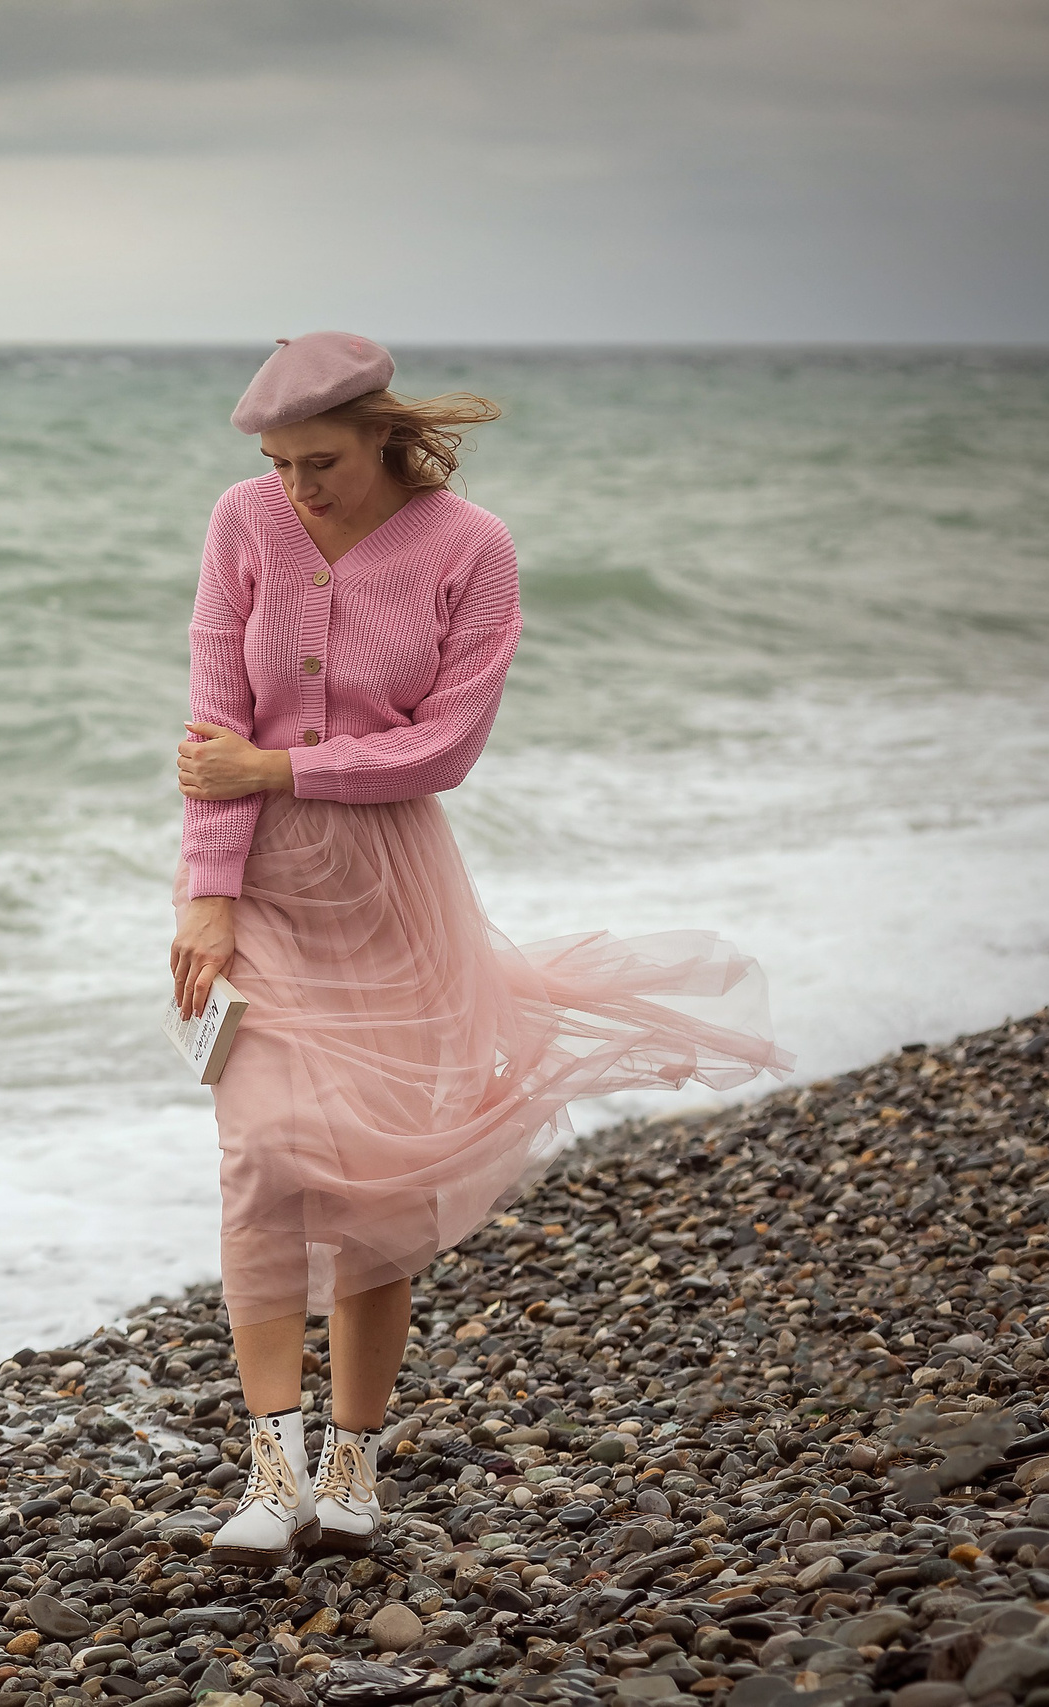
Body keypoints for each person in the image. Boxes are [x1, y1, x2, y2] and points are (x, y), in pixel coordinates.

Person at [167, 332, 793, 1568]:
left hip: (394, 891)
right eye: (281, 464)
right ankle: (268, 1464)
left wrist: (284, 766)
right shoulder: (242, 520)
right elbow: (211, 716)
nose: (298, 488)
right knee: (261, 1158)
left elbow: (446, 748)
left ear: (385, 434)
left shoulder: (471, 547)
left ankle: (352, 1462)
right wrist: (207, 894)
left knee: (376, 1182)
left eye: (322, 461)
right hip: (262, 891)